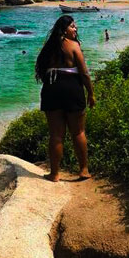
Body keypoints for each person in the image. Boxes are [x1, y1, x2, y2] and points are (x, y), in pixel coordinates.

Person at [35, 15, 95, 182]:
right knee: (78, 132)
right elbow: (84, 73)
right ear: (64, 29)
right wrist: (91, 93)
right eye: (73, 26)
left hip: (51, 89)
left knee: (56, 134)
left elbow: (41, 68)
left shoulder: (48, 47)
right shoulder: (74, 46)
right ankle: (83, 170)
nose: (75, 30)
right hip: (71, 89)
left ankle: (54, 174)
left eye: (75, 27)